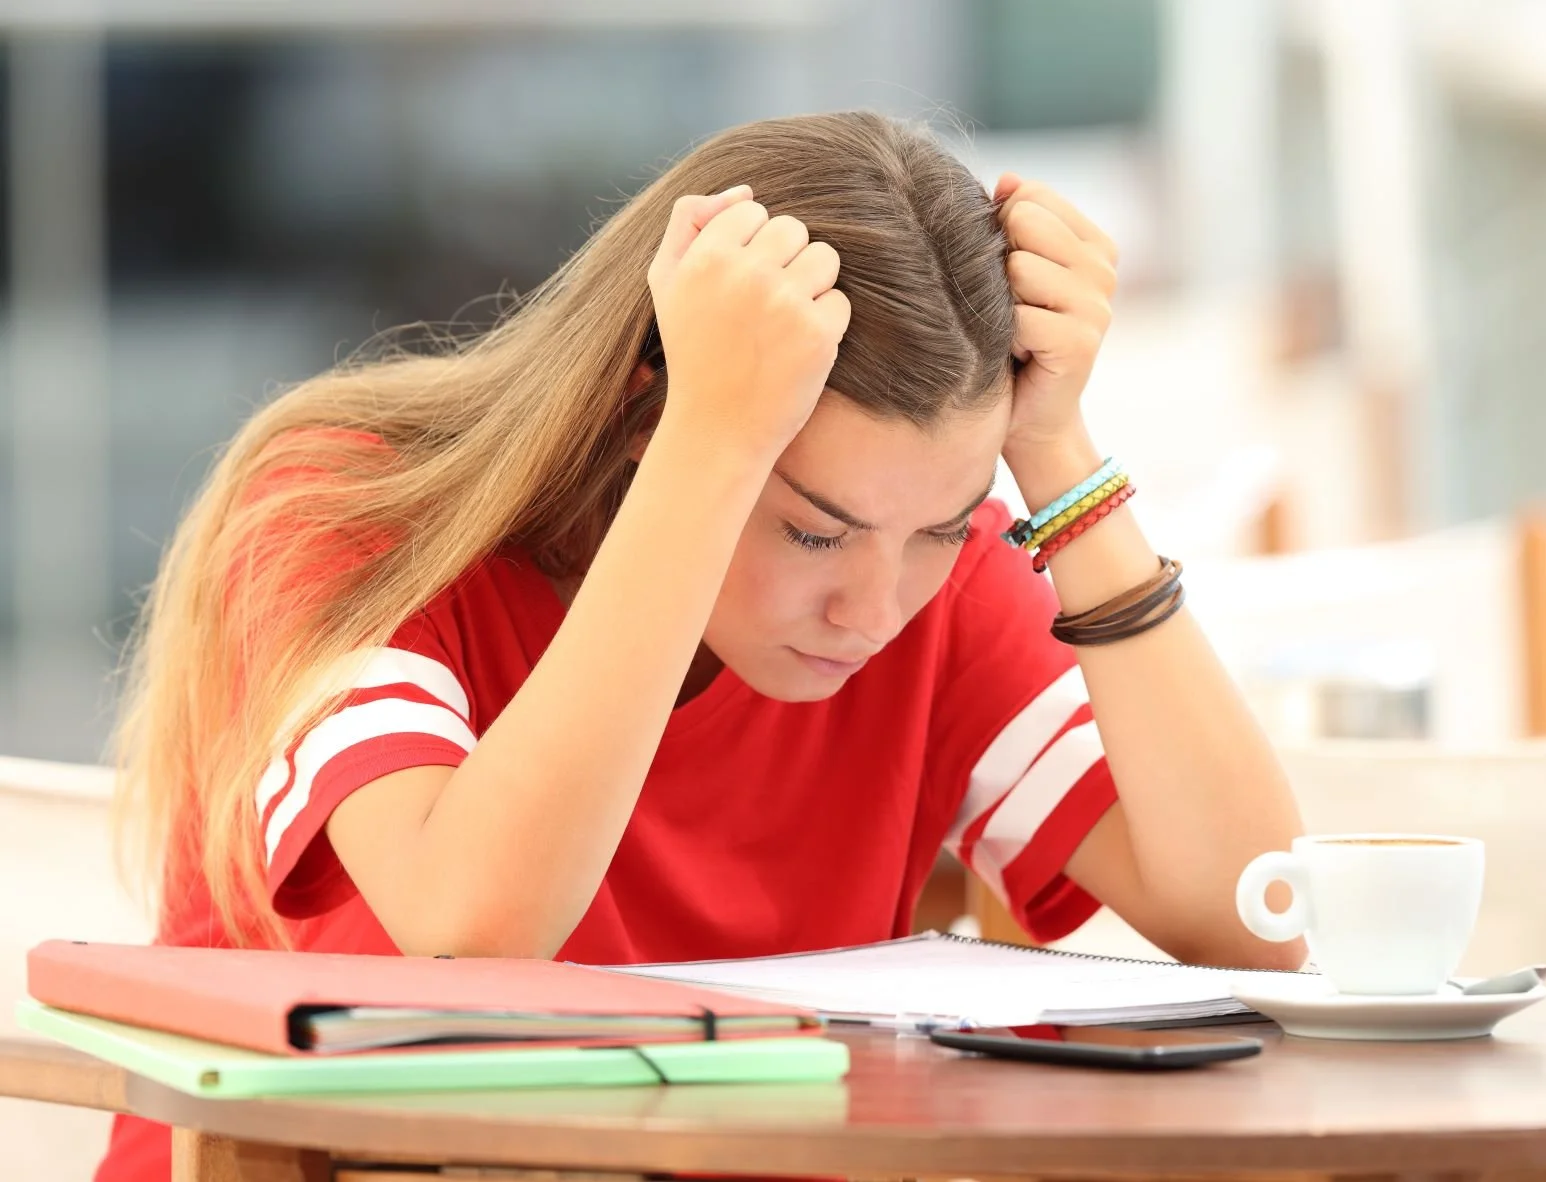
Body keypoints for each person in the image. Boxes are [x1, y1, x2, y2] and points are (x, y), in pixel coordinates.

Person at [95, 110, 1305, 1182]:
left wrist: (1059, 452)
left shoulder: (934, 582)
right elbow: (476, 927)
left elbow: (1259, 918)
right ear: (644, 413)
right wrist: (708, 443)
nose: (874, 610)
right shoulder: (346, 514)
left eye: (938, 528)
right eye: (813, 531)